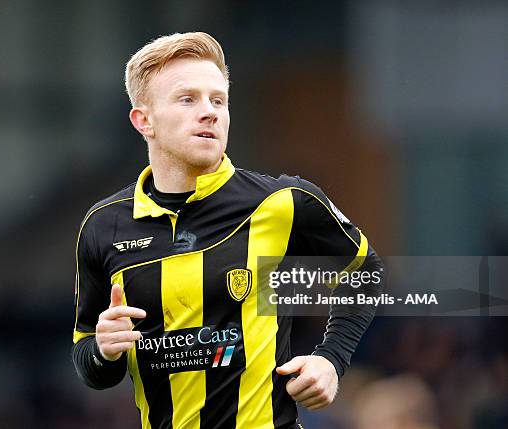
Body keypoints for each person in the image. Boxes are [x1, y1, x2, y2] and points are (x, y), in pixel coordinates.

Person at [72, 32, 383, 429]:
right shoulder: (103, 226)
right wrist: (104, 349)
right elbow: (92, 365)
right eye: (187, 99)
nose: (209, 112)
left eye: (218, 100)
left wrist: (331, 359)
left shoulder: (285, 201)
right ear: (143, 120)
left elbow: (365, 271)